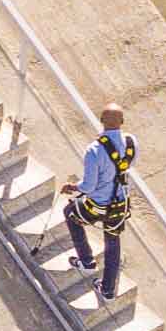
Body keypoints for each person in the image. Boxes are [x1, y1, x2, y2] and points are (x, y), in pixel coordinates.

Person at [59, 103, 137, 301]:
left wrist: (72, 187)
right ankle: (108, 290)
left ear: (101, 121)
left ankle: (86, 261)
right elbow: (126, 168)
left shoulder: (94, 149)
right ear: (122, 122)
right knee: (112, 241)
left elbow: (88, 187)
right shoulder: (131, 143)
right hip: (119, 205)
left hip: (97, 205)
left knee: (71, 213)